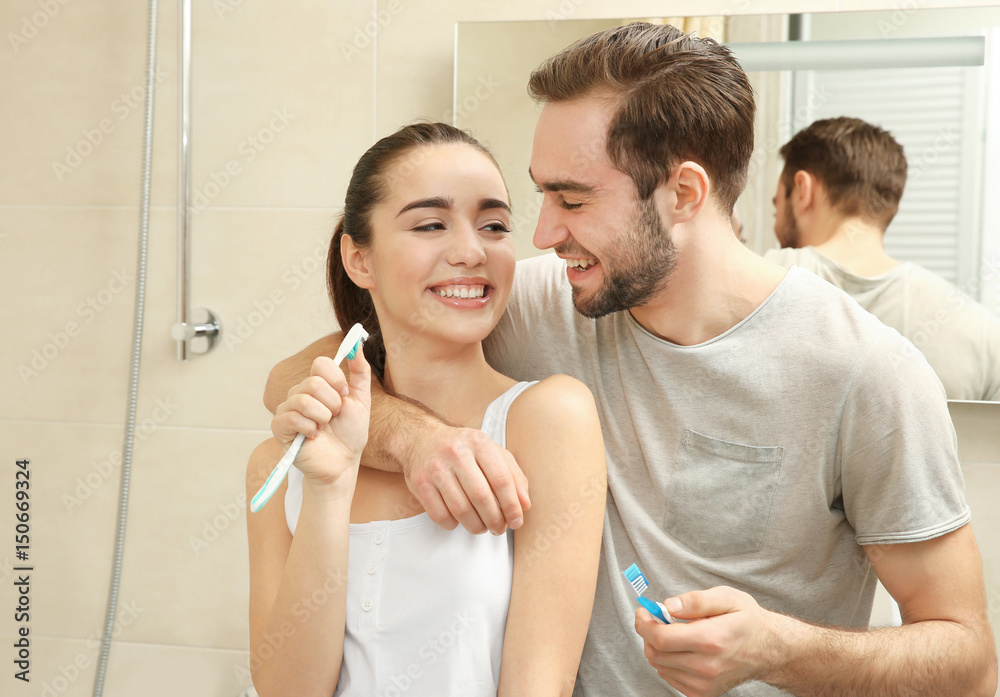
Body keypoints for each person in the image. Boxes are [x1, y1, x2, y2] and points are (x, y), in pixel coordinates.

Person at [265, 25, 998, 697]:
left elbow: (968, 658)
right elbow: (308, 372)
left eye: (573, 199)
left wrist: (777, 647)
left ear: (683, 193)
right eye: (540, 194)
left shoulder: (867, 376)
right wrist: (413, 436)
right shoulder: (552, 297)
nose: (545, 232)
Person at [246, 122, 606, 697]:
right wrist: (329, 490)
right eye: (430, 224)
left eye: (494, 225)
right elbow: (288, 691)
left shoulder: (546, 420)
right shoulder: (281, 463)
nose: (470, 251)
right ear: (358, 260)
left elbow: (539, 686)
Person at [767, 116, 1000, 401]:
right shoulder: (979, 330)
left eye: (776, 207)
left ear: (803, 190)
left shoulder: (758, 282)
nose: (776, 224)